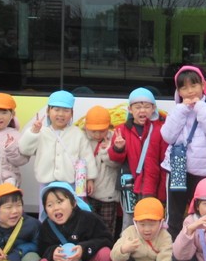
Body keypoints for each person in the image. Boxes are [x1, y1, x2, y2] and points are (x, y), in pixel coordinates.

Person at [161, 66, 206, 239]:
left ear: (203, 85)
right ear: (178, 91)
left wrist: (201, 109)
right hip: (177, 167)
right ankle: (173, 251)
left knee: (201, 215)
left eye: (194, 85)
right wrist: (182, 110)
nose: (190, 91)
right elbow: (167, 136)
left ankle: (201, 250)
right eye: (184, 87)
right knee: (174, 215)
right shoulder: (177, 109)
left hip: (202, 171)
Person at [19, 90, 98, 215]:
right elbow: (24, 149)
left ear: (71, 113)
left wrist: (90, 179)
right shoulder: (41, 132)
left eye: (66, 110)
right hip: (46, 184)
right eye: (56, 109)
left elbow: (87, 157)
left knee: (70, 214)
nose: (61, 114)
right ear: (48, 111)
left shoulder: (77, 134)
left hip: (70, 185)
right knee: (46, 214)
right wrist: (33, 132)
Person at [36, 182, 114, 261]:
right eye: (50, 205)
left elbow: (107, 240)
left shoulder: (89, 218)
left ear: (73, 203)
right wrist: (52, 253)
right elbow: (42, 249)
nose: (55, 208)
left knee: (105, 253)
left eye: (60, 202)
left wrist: (84, 249)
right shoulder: (46, 226)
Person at [108, 88, 168, 232]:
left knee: (151, 222)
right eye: (138, 107)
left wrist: (162, 191)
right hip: (129, 185)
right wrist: (118, 148)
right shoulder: (121, 130)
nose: (142, 110)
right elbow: (115, 159)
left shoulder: (161, 130)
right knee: (129, 223)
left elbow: (164, 163)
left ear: (153, 108)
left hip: (152, 186)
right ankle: (127, 246)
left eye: (147, 106)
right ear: (130, 109)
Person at [81, 105, 121, 236]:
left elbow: (116, 164)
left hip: (108, 194)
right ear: (86, 126)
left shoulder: (115, 138)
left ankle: (107, 248)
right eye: (93, 131)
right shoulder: (82, 139)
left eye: (102, 131)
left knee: (107, 228)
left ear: (108, 126)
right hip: (89, 193)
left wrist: (106, 151)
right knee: (88, 226)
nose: (97, 135)